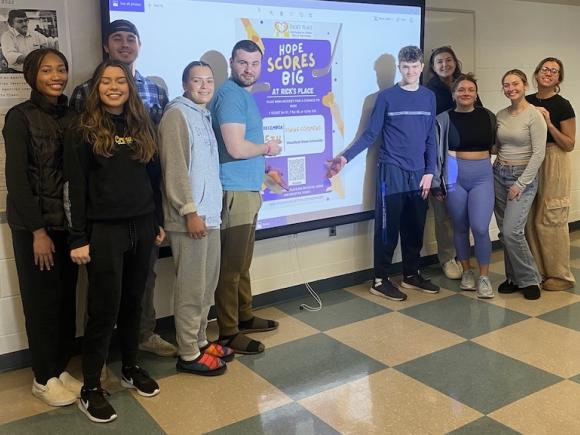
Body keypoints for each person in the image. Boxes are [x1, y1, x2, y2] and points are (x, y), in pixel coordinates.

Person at [65, 60, 164, 423]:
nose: (113, 86)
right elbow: (73, 187)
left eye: (120, 80)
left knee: (134, 303)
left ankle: (130, 367)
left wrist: (157, 220)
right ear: (96, 88)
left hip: (142, 225)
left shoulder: (143, 125)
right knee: (104, 309)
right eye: (106, 81)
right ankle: (91, 387)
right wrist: (78, 237)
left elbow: (154, 176)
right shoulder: (83, 129)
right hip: (104, 230)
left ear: (129, 86)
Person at [70, 19, 175, 357]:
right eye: (118, 39)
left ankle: (142, 336)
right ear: (106, 46)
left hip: (142, 210)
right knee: (103, 291)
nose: (125, 44)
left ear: (139, 46)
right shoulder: (85, 91)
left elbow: (156, 159)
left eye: (132, 39)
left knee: (143, 282)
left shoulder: (156, 91)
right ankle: (99, 358)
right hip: (104, 216)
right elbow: (79, 164)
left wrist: (158, 212)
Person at [328, 45, 440, 301]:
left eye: (414, 66)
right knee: (388, 229)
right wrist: (345, 157)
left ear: (421, 67)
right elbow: (370, 134)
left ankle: (412, 275)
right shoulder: (386, 97)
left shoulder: (428, 97)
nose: (410, 71)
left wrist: (429, 171)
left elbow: (430, 138)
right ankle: (380, 280)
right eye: (405, 66)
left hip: (420, 174)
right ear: (399, 68)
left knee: (415, 227)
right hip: (392, 170)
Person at [3, 48, 80, 407]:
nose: (56, 76)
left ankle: (60, 368)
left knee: (66, 300)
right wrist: (37, 232)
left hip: (68, 226)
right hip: (36, 230)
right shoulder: (19, 117)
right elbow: (16, 180)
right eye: (47, 70)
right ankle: (42, 377)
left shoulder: (72, 115)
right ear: (32, 75)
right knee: (41, 303)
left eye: (61, 69)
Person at [159, 60, 234, 375]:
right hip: (190, 217)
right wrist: (189, 211)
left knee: (206, 286)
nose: (203, 86)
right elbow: (174, 169)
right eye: (196, 81)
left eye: (208, 81)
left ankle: (201, 340)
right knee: (191, 287)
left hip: (210, 215)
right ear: (184, 84)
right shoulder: (177, 115)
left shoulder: (202, 115)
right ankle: (188, 352)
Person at [210, 40, 282, 354]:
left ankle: (244, 315)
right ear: (231, 62)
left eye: (254, 63)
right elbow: (237, 149)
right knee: (230, 267)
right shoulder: (229, 96)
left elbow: (242, 146)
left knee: (242, 263)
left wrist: (266, 168)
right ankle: (227, 332)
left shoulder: (243, 96)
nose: (248, 69)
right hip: (235, 191)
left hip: (249, 189)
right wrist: (268, 148)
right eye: (242, 63)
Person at [434, 74, 496, 298]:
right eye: (461, 90)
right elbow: (435, 152)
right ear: (453, 94)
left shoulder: (488, 116)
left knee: (480, 228)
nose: (466, 93)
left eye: (470, 89)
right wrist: (436, 182)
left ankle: (484, 276)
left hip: (482, 176)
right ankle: (467, 271)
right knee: (459, 227)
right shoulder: (443, 119)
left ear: (476, 94)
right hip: (453, 175)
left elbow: (498, 145)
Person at [426, 46, 483, 281]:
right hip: (443, 159)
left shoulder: (467, 85)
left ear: (455, 62)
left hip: (470, 160)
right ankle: (448, 258)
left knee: (466, 213)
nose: (444, 65)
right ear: (432, 67)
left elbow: (481, 118)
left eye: (448, 60)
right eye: (439, 62)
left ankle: (464, 257)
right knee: (444, 213)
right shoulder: (428, 91)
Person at [494, 69, 546, 300]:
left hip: (521, 176)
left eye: (515, 83)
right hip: (498, 174)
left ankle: (530, 278)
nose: (511, 88)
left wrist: (521, 183)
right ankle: (512, 278)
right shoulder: (500, 115)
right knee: (505, 233)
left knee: (511, 231)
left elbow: (539, 154)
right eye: (506, 85)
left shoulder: (534, 115)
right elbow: (495, 147)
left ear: (524, 85)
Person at [525, 58, 576, 291]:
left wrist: (548, 123)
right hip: (527, 159)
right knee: (529, 218)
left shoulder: (562, 105)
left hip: (554, 159)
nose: (549, 73)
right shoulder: (526, 102)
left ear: (559, 79)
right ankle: (536, 271)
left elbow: (569, 144)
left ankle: (560, 275)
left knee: (551, 217)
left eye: (554, 71)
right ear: (536, 74)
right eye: (545, 69)